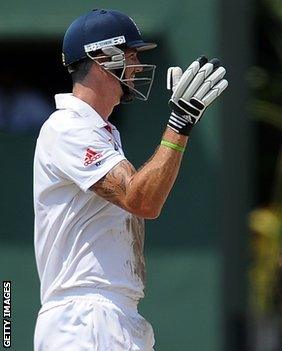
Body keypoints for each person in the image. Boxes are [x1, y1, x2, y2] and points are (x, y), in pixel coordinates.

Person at [33, 9, 228, 350]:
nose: (137, 66)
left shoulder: (101, 132)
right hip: (86, 317)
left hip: (107, 314)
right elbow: (141, 200)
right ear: (101, 58)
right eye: (131, 55)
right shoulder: (68, 127)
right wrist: (180, 122)